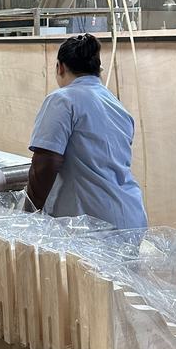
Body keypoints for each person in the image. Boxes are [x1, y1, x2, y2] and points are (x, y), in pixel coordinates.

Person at [26, 33, 147, 229]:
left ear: (60, 67)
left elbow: (46, 162)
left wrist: (28, 213)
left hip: (90, 223)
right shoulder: (116, 105)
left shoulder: (63, 99)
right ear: (98, 69)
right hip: (131, 217)